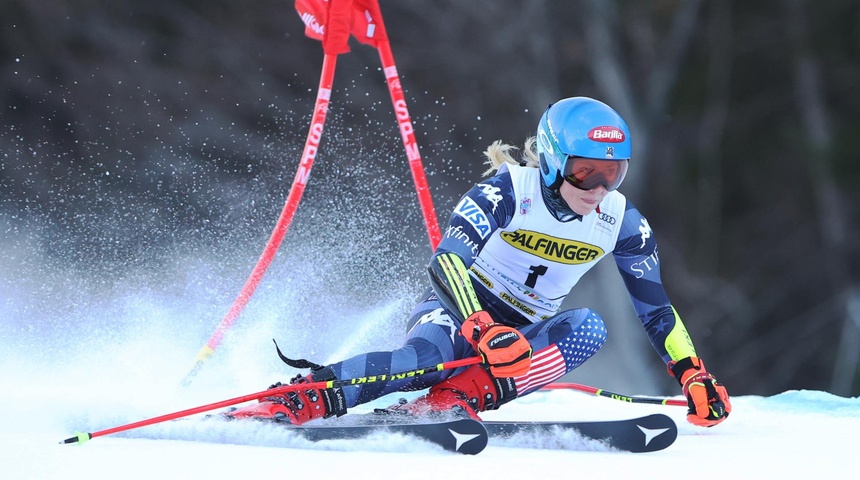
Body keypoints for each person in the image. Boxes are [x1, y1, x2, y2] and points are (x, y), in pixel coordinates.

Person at [227, 96, 731, 428]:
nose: (598, 190)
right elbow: (447, 263)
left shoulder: (623, 222)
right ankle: (303, 396)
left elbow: (657, 311)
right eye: (585, 173)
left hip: (521, 330)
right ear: (555, 161)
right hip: (458, 310)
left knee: (588, 329)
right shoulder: (509, 190)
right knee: (423, 362)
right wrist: (482, 327)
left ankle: (453, 402)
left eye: (612, 175)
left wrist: (692, 375)